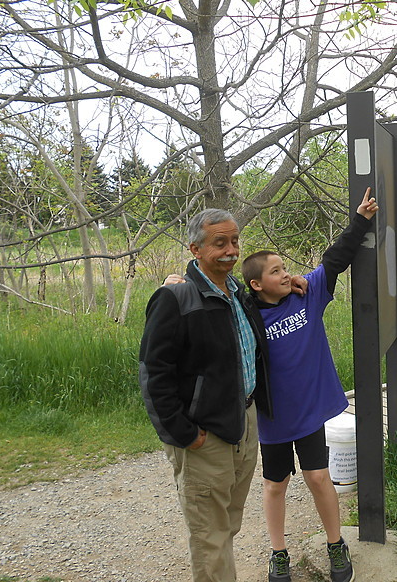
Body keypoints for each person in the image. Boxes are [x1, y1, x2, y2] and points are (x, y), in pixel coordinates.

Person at [139, 208, 305, 582]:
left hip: (243, 424)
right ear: (195, 248)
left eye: (234, 241)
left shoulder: (239, 295)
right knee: (211, 536)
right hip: (204, 435)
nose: (230, 250)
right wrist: (184, 434)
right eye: (219, 243)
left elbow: (263, 318)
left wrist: (291, 282)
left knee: (226, 523)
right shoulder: (175, 298)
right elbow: (154, 374)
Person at [240, 187, 378, 582]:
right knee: (275, 484)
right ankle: (277, 553)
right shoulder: (249, 318)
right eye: (276, 272)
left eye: (285, 268)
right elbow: (221, 295)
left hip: (309, 411)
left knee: (319, 477)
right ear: (256, 285)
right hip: (273, 418)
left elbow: (333, 261)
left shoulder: (308, 297)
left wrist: (360, 220)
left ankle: (336, 545)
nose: (286, 274)